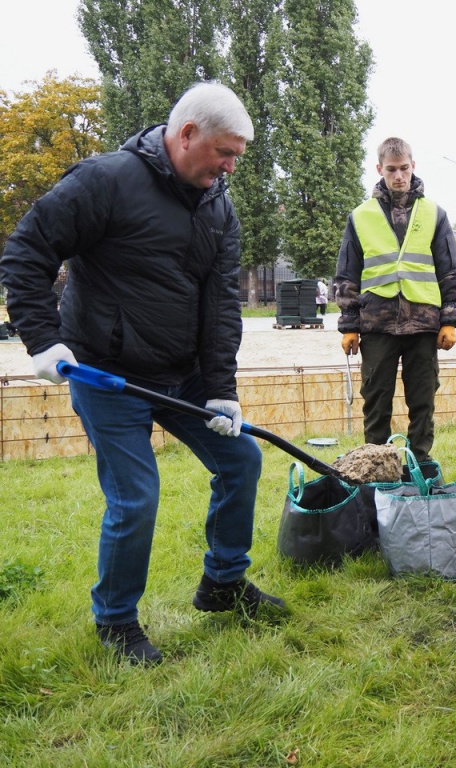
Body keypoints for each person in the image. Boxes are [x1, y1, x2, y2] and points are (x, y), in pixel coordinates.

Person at [0, 81, 287, 666]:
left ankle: (223, 583)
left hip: (180, 377)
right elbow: (26, 252)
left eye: (237, 156)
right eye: (225, 152)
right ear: (187, 135)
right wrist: (44, 339)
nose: (231, 167)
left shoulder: (218, 205)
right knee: (136, 498)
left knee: (242, 461)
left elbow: (220, 306)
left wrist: (222, 392)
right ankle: (116, 622)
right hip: (107, 376)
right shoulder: (105, 181)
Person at [334, 137, 456, 463]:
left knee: (423, 402)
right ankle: (377, 470)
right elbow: (347, 275)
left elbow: (450, 271)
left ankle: (420, 466)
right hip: (377, 324)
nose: (399, 176)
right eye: (391, 170)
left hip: (423, 324)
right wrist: (349, 325)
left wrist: (449, 320)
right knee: (376, 402)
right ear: (380, 169)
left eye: (404, 168)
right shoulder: (360, 216)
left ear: (413, 166)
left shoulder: (434, 214)